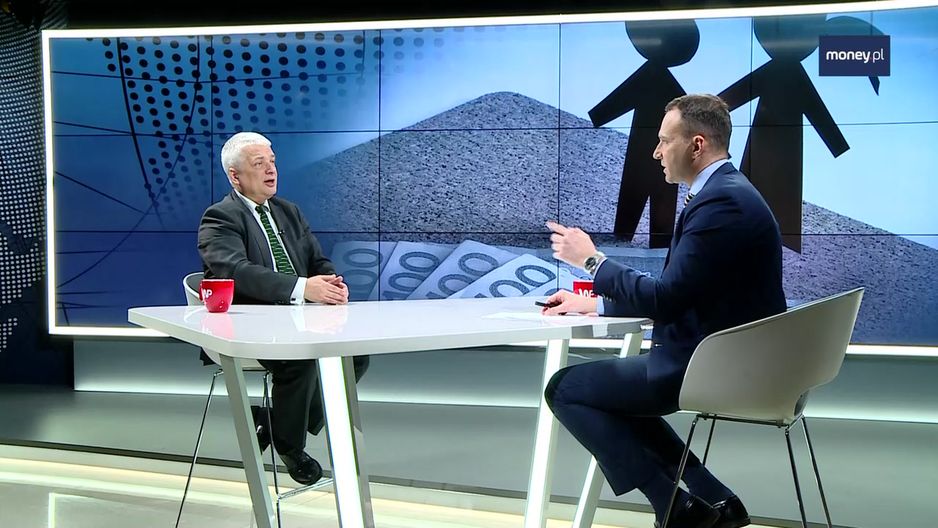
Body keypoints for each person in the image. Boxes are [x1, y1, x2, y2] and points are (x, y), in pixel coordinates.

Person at [543, 94, 786, 528]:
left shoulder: (722, 203)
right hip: (724, 359)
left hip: (711, 368)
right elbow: (686, 292)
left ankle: (674, 508)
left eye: (664, 140)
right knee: (609, 395)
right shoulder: (726, 192)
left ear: (697, 145)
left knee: (564, 389)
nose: (656, 152)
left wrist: (592, 261)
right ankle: (714, 498)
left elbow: (666, 298)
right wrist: (595, 302)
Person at [198, 131, 369, 485]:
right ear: (235, 176)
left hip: (299, 317)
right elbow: (236, 271)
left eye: (272, 162)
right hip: (249, 323)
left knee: (355, 356)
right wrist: (303, 288)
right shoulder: (220, 217)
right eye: (259, 163)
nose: (271, 170)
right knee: (302, 361)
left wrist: (332, 283)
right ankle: (290, 446)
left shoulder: (288, 211)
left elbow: (317, 261)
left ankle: (275, 423)